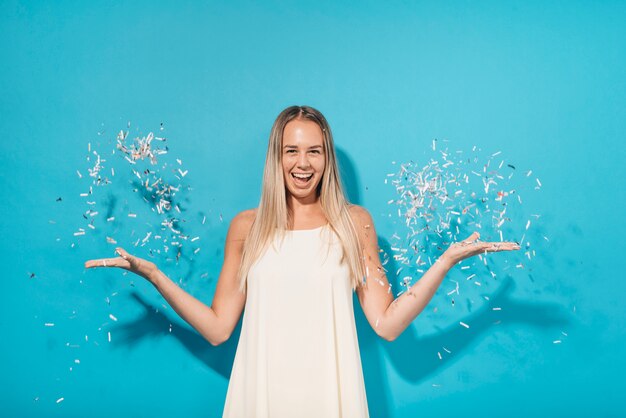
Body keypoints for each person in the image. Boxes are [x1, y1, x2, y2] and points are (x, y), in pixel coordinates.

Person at [85, 105, 520, 417]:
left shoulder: (354, 222)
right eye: (291, 151)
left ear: (326, 158)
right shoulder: (246, 226)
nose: (303, 163)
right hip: (261, 399)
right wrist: (155, 276)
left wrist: (446, 261)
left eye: (314, 150)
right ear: (276, 158)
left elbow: (386, 323)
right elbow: (218, 329)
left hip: (332, 399)